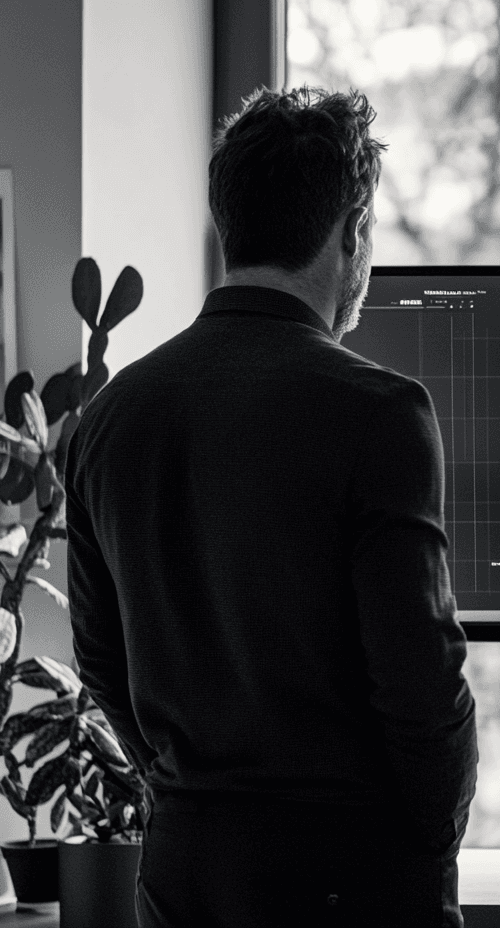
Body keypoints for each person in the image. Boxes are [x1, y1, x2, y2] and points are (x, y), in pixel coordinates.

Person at [67, 87, 478, 928]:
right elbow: (422, 688)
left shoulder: (109, 418)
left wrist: (195, 798)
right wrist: (426, 845)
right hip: (353, 880)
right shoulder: (379, 413)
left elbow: (102, 663)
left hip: (183, 877)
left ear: (228, 225)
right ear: (353, 234)